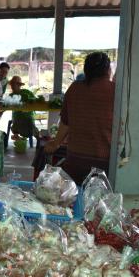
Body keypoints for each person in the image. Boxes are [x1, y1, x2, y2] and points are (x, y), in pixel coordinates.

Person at [44, 52, 115, 184]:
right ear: (107, 70)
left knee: (76, 198)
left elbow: (65, 122)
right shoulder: (116, 90)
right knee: (99, 202)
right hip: (105, 164)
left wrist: (55, 143)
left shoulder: (74, 88)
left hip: (75, 161)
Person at [9, 76, 39, 142]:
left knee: (30, 125)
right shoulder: (10, 95)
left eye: (14, 84)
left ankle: (39, 140)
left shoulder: (27, 92)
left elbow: (35, 101)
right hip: (16, 118)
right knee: (16, 124)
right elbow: (5, 106)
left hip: (28, 116)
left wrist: (29, 101)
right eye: (12, 84)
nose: (12, 86)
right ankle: (18, 138)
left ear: (19, 85)